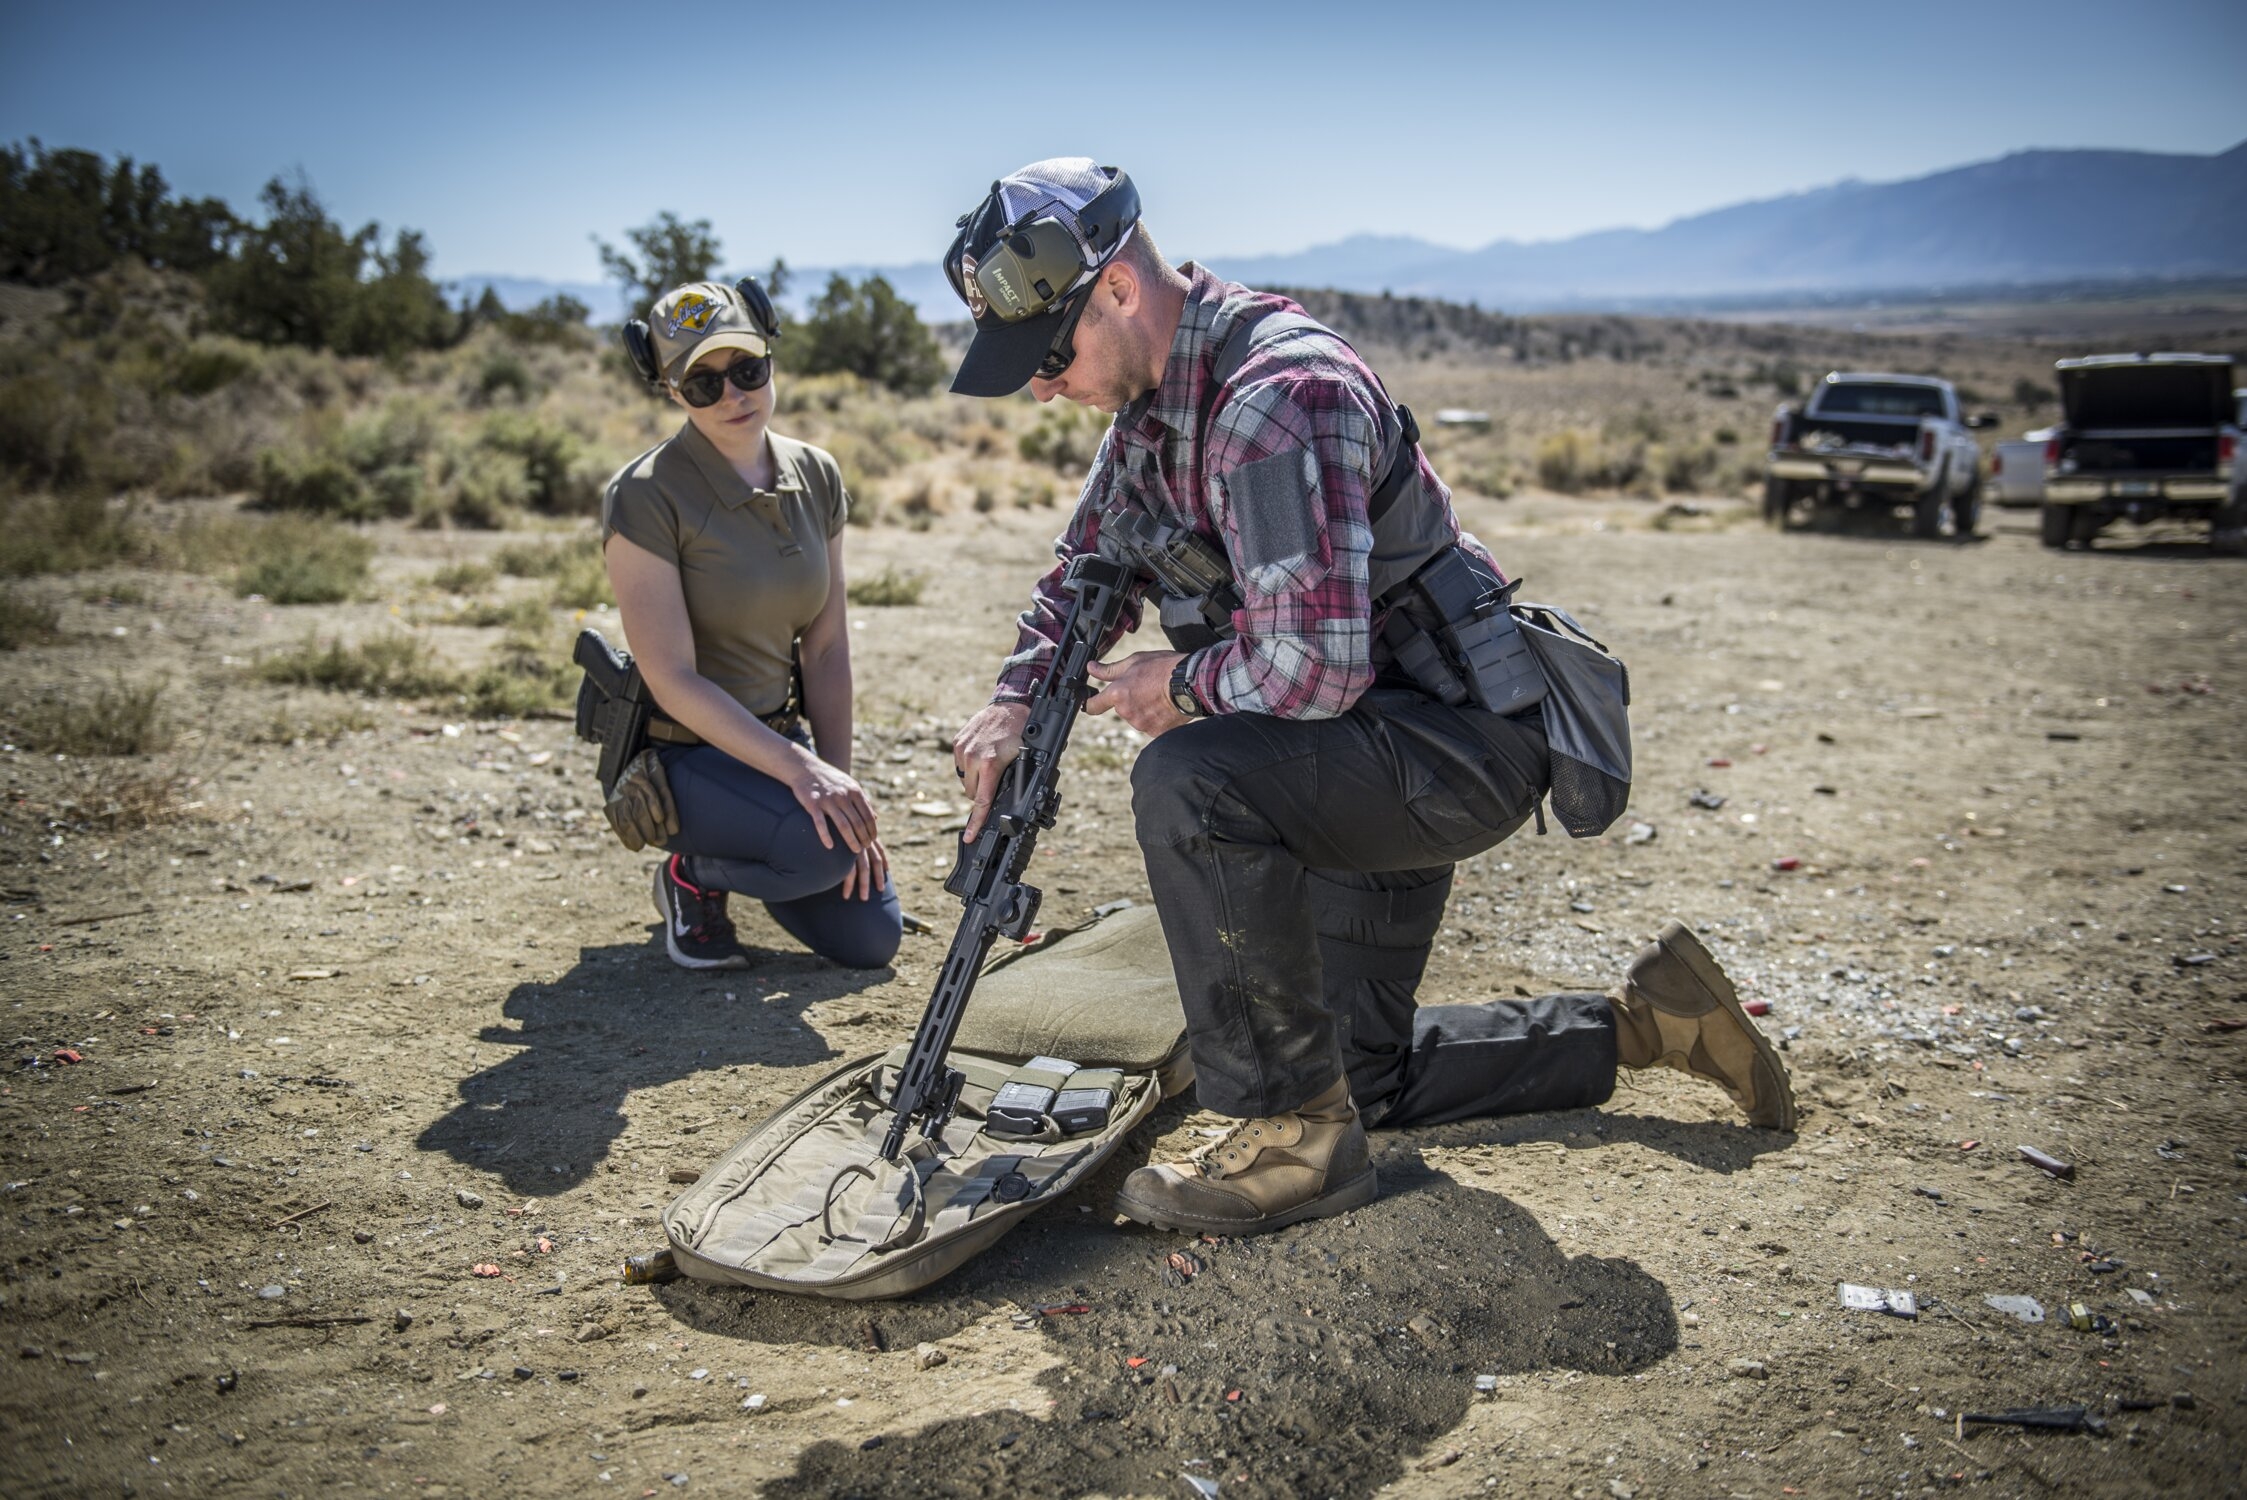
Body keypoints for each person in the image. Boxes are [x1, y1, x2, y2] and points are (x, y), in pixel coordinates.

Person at [943, 159, 1797, 1236]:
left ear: (1118, 288)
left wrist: (1178, 683)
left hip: (1447, 750)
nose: (1041, 388)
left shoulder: (1274, 400)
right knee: (1363, 1079)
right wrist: (1017, 701)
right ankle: (1648, 1024)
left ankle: (1285, 1139)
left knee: (1190, 781)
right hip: (1353, 748)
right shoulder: (1153, 416)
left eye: (1049, 355)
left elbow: (1311, 668)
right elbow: (1084, 573)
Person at [600, 279, 900, 973]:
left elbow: (826, 649)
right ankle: (691, 877)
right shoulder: (643, 495)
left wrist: (836, 786)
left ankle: (779, 846)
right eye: (702, 383)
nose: (732, 394)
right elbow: (670, 678)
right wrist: (804, 776)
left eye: (746, 369)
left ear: (769, 355)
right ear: (671, 391)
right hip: (683, 756)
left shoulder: (816, 474)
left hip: (779, 745)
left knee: (869, 942)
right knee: (819, 851)